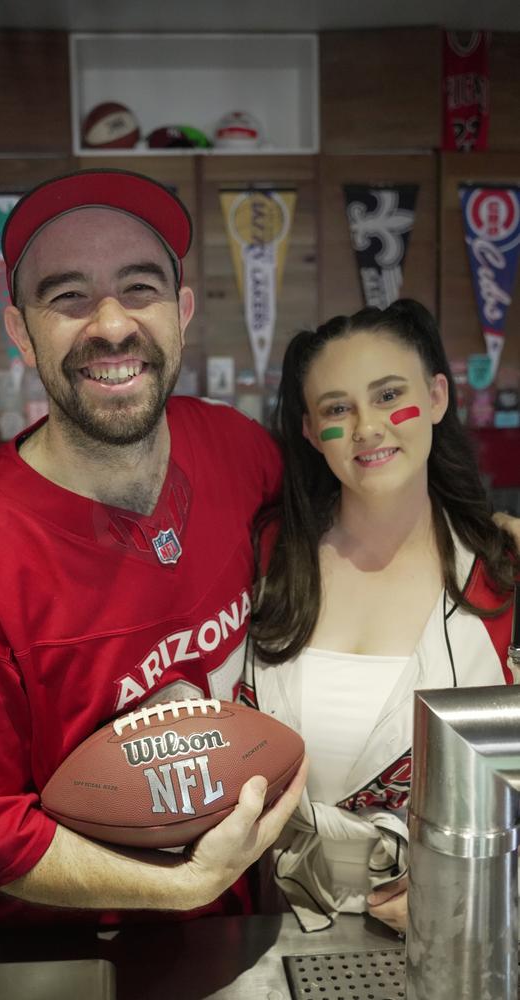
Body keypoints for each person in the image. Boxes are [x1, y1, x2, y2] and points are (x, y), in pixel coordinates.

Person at [0, 168, 307, 929]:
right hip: (62, 962)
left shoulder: (237, 449)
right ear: (20, 330)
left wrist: (472, 539)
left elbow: (336, 547)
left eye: (140, 288)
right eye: (68, 297)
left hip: (245, 928)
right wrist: (181, 885)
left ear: (183, 314)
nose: (112, 325)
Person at [246, 299, 517, 935]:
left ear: (436, 397)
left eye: (388, 394)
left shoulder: (503, 576)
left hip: (457, 938)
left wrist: (475, 882)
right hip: (267, 933)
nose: (368, 426)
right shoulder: (263, 561)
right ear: (312, 431)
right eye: (338, 408)